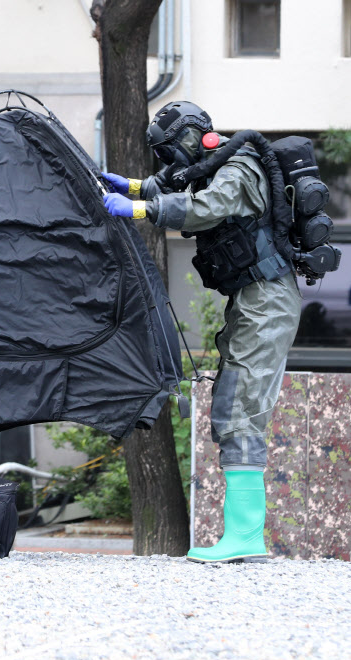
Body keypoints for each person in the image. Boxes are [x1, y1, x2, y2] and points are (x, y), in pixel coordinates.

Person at [102, 101, 302, 563]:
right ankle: (243, 536)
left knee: (241, 410)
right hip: (252, 301)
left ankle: (247, 537)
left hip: (267, 302)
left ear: (193, 138)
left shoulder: (240, 164)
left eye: (173, 150)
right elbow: (176, 182)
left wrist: (138, 210)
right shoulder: (212, 166)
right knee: (233, 404)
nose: (172, 162)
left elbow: (210, 205)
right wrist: (131, 187)